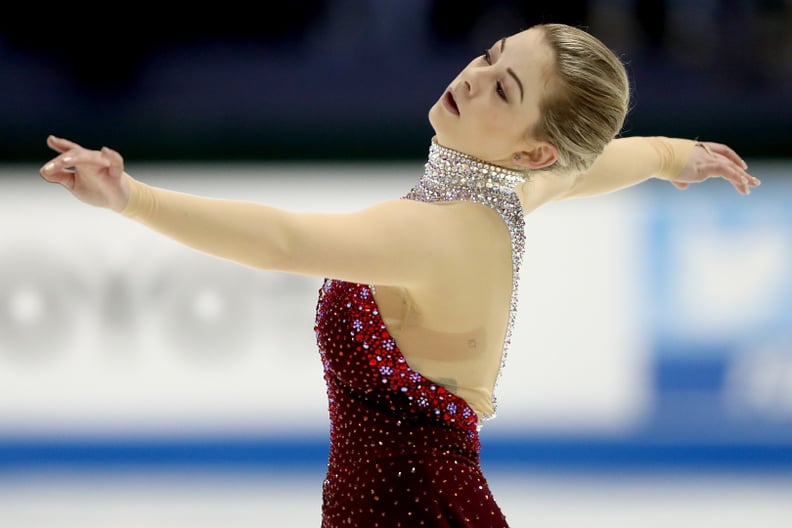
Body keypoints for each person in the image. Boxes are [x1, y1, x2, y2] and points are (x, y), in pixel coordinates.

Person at [39, 22, 758, 528]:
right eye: (488, 56)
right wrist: (670, 154)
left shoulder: (447, 231)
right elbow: (577, 173)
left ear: (533, 149)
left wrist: (131, 198)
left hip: (413, 512)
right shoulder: (494, 195)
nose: (472, 79)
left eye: (503, 91)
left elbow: (283, 241)